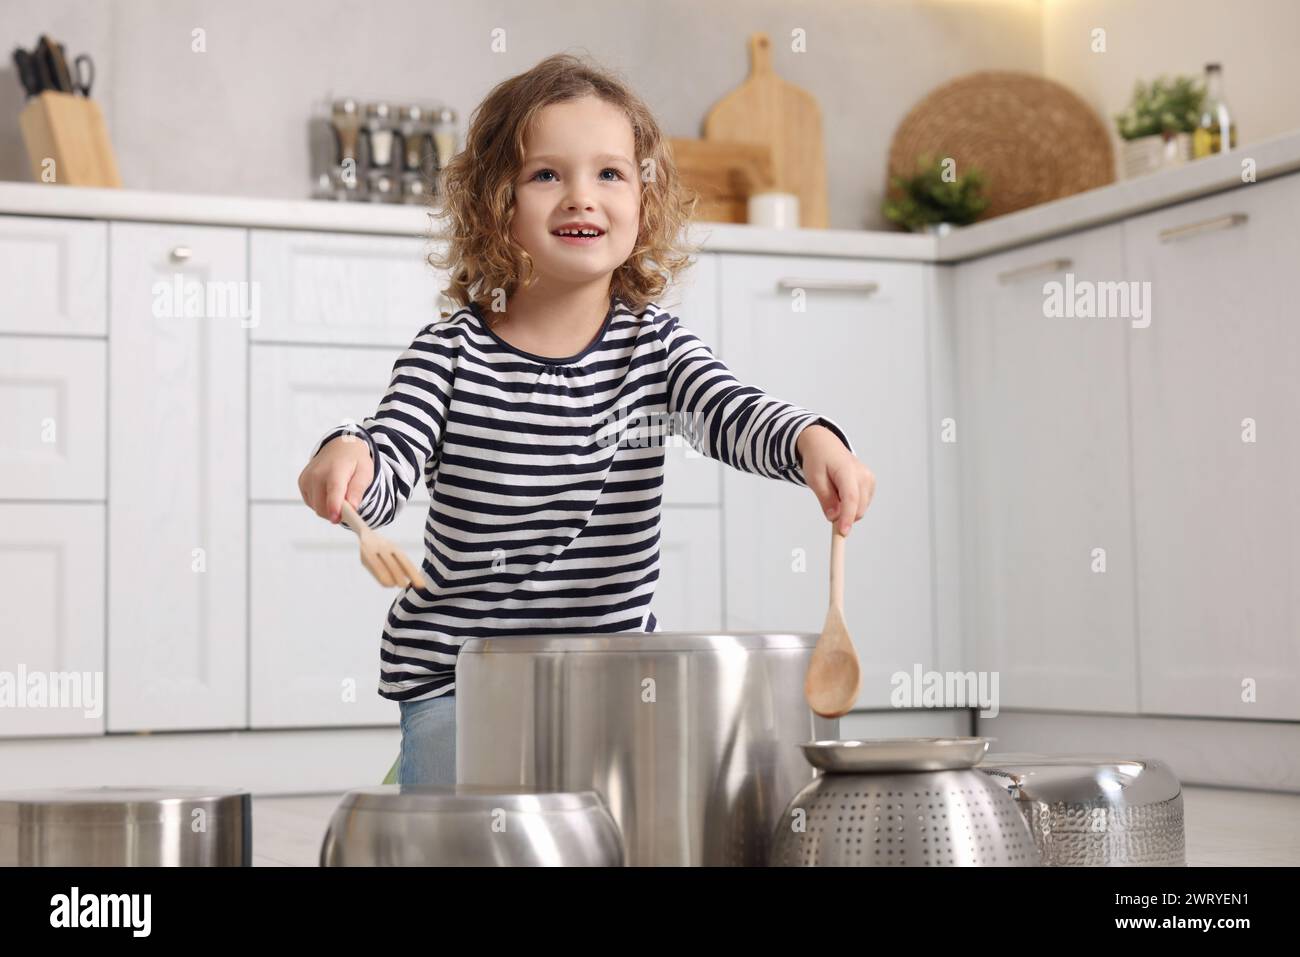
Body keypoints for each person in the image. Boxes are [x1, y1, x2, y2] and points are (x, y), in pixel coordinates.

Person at [298, 53, 875, 786]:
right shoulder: (449, 353)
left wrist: (809, 439)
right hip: (459, 678)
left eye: (610, 174)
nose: (581, 197)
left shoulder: (656, 349)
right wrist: (350, 459)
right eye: (547, 174)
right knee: (461, 817)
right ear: (494, 202)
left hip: (613, 679)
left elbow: (732, 409)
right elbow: (390, 454)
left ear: (645, 199)